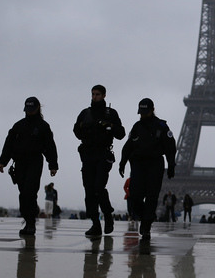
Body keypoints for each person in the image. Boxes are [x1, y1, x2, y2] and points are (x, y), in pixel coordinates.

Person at [0, 97, 58, 235]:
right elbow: (8, 144)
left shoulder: (43, 126)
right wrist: (3, 161)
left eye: (32, 109)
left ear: (37, 108)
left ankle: (31, 222)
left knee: (30, 192)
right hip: (20, 162)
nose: (29, 112)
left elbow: (50, 146)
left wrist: (53, 164)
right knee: (23, 193)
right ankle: (27, 219)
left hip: (35, 161)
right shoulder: (18, 126)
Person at [119, 98, 176, 241]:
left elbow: (170, 147)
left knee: (152, 196)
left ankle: (146, 225)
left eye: (145, 112)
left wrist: (171, 165)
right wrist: (122, 162)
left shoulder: (162, 126)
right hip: (138, 164)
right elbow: (128, 146)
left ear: (152, 110)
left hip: (155, 164)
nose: (142, 115)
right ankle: (146, 217)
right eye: (141, 112)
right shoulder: (137, 127)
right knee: (134, 196)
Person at [74, 84, 125, 236]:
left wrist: (109, 125)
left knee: (98, 187)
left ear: (104, 96)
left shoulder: (110, 114)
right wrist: (84, 126)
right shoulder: (85, 113)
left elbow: (121, 134)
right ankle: (95, 223)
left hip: (103, 154)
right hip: (88, 155)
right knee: (89, 190)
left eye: (97, 94)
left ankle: (108, 215)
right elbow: (76, 131)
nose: (94, 97)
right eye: (93, 94)